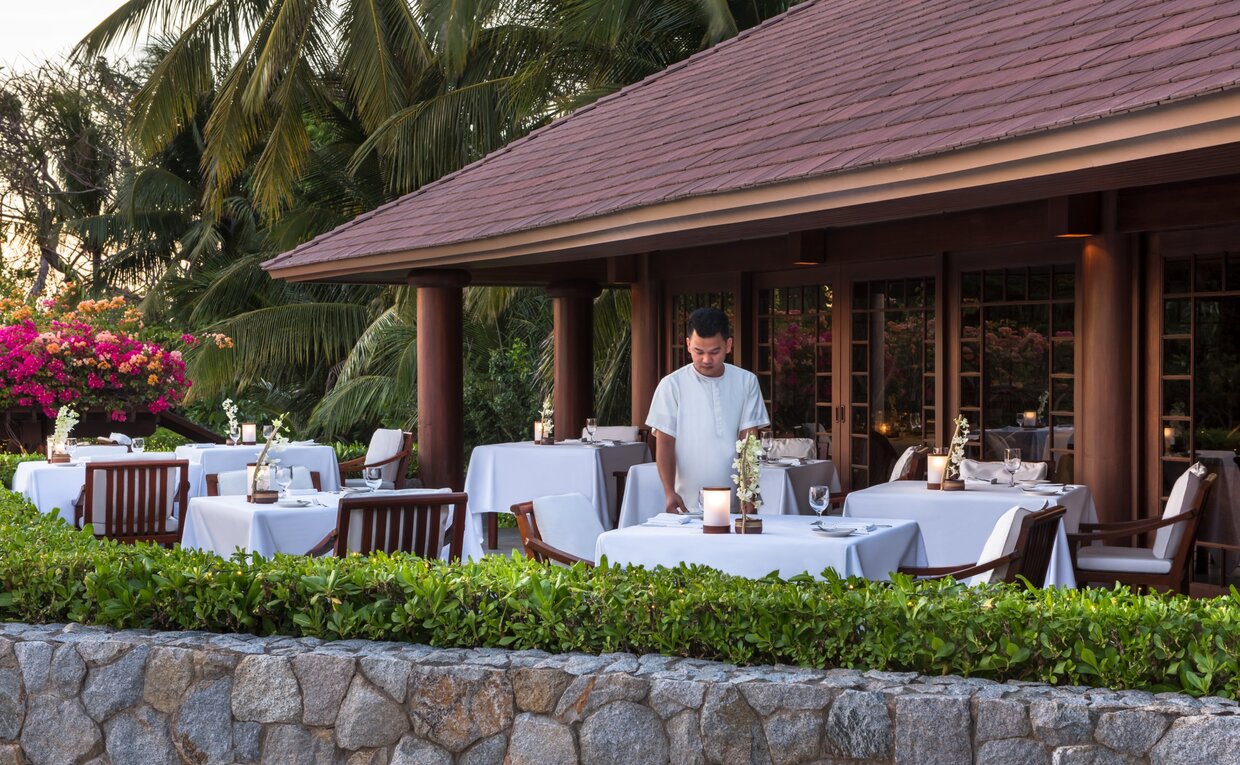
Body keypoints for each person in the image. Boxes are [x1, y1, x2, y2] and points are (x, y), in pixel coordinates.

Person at [645, 307, 770, 514]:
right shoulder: (672, 385)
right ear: (688, 345)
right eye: (699, 351)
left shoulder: (746, 382)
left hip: (734, 500)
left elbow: (749, 440)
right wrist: (669, 492)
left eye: (714, 352)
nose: (706, 360)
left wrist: (748, 491)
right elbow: (665, 442)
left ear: (728, 345)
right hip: (686, 502)